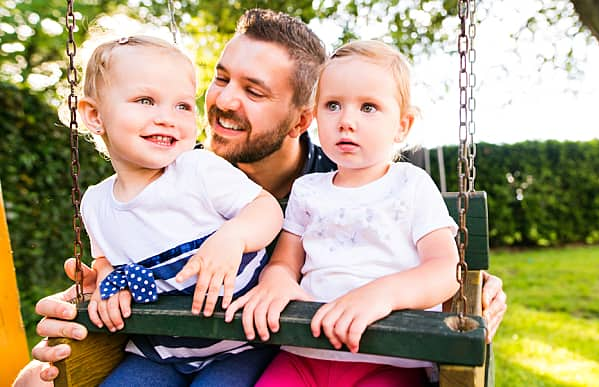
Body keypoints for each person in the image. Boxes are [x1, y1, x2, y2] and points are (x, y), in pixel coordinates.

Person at [16, 8, 507, 386]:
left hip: (310, 352)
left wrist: (468, 295)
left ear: (301, 121)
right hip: (222, 354)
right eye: (221, 78)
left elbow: (434, 267)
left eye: (254, 91)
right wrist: (102, 289)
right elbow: (130, 257)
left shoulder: (343, 180)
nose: (224, 101)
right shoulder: (167, 168)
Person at [225, 39, 456, 386]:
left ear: (402, 125)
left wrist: (382, 294)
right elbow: (286, 262)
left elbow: (445, 269)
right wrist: (277, 281)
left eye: (368, 107)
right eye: (333, 105)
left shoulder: (411, 184)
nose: (346, 121)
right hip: (304, 353)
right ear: (315, 114)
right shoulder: (309, 189)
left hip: (388, 357)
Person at [76, 35, 283, 386]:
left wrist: (233, 236)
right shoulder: (95, 203)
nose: (167, 118)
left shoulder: (197, 170)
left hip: (238, 342)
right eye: (146, 100)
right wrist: (111, 284)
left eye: (183, 106)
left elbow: (267, 210)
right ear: (94, 115)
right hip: (159, 349)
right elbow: (105, 260)